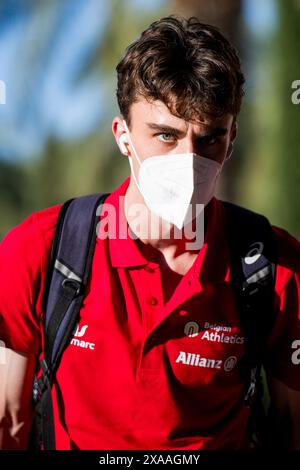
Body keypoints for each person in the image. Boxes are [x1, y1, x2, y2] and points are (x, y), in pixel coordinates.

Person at [0, 15, 300, 451]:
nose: (189, 160)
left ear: (231, 139)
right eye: (165, 135)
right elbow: (8, 422)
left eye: (210, 139)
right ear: (123, 136)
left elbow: (293, 428)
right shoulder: (42, 250)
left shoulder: (273, 269)